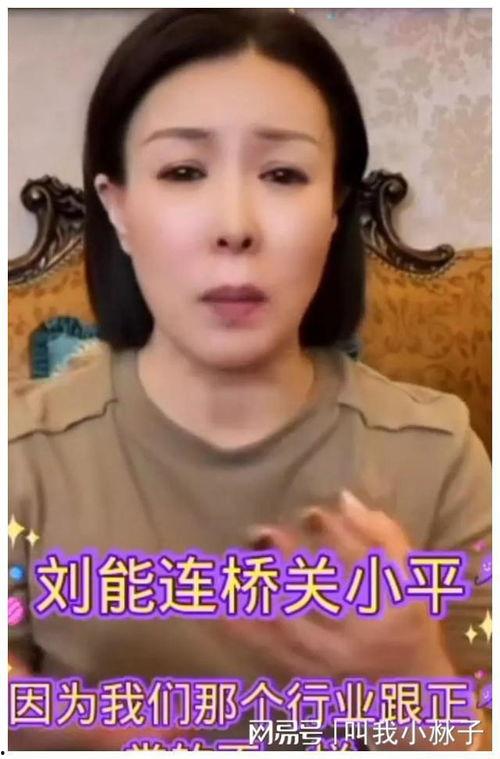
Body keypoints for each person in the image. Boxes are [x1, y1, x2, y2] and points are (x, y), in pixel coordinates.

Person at [8, 8, 491, 751]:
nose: (234, 225)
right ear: (118, 207)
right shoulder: (21, 456)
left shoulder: (439, 456)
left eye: (282, 174)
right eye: (183, 172)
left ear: (335, 208)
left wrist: (415, 677)